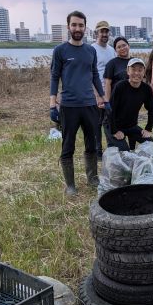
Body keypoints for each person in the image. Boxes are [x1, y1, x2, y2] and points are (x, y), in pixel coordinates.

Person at [50, 10, 105, 195]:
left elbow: (95, 75)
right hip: (69, 106)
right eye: (74, 25)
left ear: (85, 27)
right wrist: (52, 104)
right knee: (68, 146)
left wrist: (103, 98)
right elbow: (54, 77)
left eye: (81, 25)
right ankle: (71, 185)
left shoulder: (90, 50)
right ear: (68, 27)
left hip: (89, 105)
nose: (77, 28)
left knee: (92, 143)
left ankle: (92, 178)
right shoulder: (60, 51)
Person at [110, 58, 153, 151]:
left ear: (144, 72)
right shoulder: (120, 87)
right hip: (115, 125)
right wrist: (115, 131)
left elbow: (152, 109)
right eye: (133, 69)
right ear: (128, 71)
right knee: (124, 151)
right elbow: (111, 110)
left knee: (151, 144)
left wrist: (148, 129)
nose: (137, 73)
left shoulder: (146, 89)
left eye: (140, 70)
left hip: (131, 125)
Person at [91, 21, 115, 159]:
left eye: (106, 32)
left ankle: (111, 148)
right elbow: (90, 74)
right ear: (97, 33)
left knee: (109, 121)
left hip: (109, 92)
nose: (104, 34)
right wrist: (97, 95)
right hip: (97, 93)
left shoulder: (112, 50)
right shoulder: (92, 49)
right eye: (102, 32)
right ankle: (97, 151)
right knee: (97, 123)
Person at [103, 37, 131, 147]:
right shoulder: (112, 64)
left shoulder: (134, 62)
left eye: (124, 45)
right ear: (115, 50)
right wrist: (108, 103)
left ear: (128, 45)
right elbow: (107, 84)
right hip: (116, 103)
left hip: (129, 104)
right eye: (119, 47)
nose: (122, 48)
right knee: (116, 140)